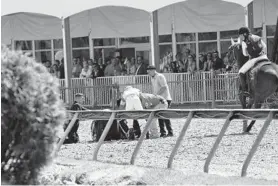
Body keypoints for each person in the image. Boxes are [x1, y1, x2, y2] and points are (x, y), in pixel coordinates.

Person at [237, 27, 268, 95]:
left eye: (240, 35)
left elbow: (245, 54)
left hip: (254, 59)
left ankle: (244, 90)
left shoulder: (244, 42)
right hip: (264, 57)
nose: (240, 37)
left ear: (244, 34)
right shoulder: (257, 37)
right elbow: (265, 46)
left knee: (241, 72)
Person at [147, 65, 173, 137]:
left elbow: (164, 87)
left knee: (165, 115)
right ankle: (163, 132)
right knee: (159, 116)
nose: (148, 74)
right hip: (158, 99)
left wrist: (156, 95)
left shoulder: (160, 76)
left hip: (165, 98)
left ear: (153, 70)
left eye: (149, 72)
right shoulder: (152, 78)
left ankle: (170, 132)